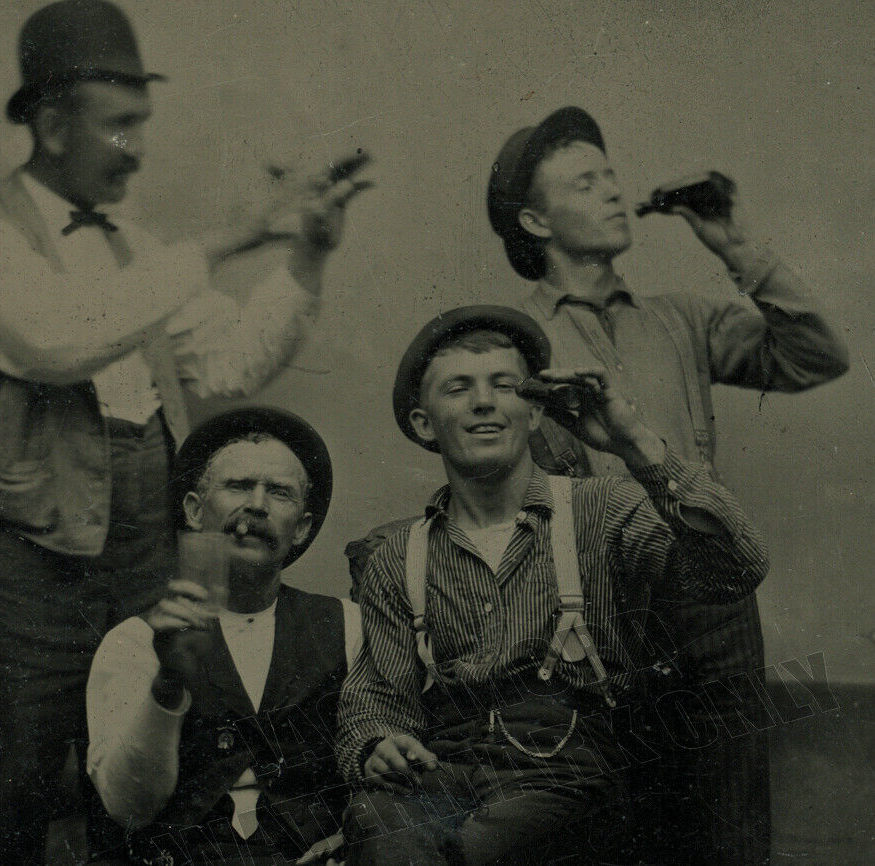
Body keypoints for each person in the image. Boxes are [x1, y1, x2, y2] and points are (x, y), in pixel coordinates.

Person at [0, 2, 370, 863]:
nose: (138, 148)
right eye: (120, 126)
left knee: (138, 796)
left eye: (143, 125)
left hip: (140, 560)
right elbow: (60, 338)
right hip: (15, 574)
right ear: (52, 125)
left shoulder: (138, 247)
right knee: (7, 803)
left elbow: (231, 366)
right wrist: (237, 230)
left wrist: (305, 254)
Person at [484, 106, 849, 864]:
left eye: (612, 175)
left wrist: (731, 242)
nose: (614, 192)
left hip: (713, 598)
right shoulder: (507, 339)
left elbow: (817, 354)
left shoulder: (681, 318)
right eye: (586, 183)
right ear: (535, 221)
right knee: (614, 831)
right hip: (596, 612)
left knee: (730, 833)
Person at [336, 305, 770, 866]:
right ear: (424, 423)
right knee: (380, 825)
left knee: (479, 852)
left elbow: (736, 568)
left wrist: (632, 441)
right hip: (437, 776)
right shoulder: (397, 556)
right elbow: (376, 698)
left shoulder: (605, 510)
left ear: (536, 411)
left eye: (504, 385)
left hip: (566, 779)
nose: (484, 402)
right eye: (458, 388)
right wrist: (376, 744)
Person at [87, 406, 361, 865]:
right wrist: (169, 681)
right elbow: (128, 807)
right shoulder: (133, 641)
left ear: (302, 528)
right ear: (194, 510)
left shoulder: (349, 625)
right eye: (237, 486)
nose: (256, 505)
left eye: (279, 492)